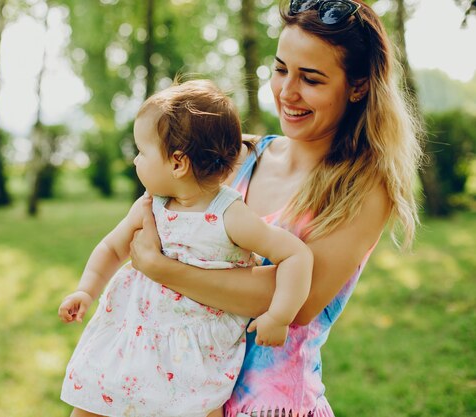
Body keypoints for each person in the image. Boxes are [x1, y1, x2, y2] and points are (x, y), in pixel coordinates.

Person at [129, 1, 423, 416]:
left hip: (268, 404)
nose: (287, 92)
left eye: (312, 79)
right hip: (184, 396)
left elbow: (294, 302)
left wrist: (161, 269)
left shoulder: (364, 188)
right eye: (281, 69)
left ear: (357, 86)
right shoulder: (241, 156)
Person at [58, 79, 314, 417]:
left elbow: (296, 254)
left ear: (178, 163)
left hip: (195, 358)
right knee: (91, 406)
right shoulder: (149, 205)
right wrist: (86, 291)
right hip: (133, 342)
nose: (135, 161)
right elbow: (112, 248)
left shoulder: (229, 215)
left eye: (142, 152)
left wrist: (279, 315)